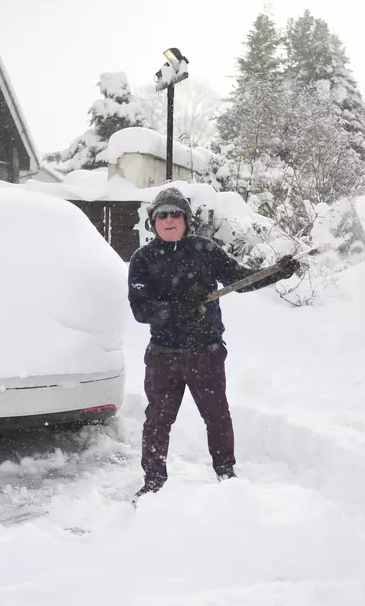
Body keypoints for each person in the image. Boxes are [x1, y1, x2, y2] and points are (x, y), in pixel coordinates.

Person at [127, 187, 299, 498]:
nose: (168, 219)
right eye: (161, 214)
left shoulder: (204, 250)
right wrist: (179, 308)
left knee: (217, 416)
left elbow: (240, 280)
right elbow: (140, 310)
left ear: (186, 220)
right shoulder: (143, 259)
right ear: (153, 222)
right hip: (163, 356)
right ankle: (153, 482)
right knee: (156, 422)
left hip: (205, 353)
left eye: (175, 213)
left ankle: (226, 473)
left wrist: (276, 273)